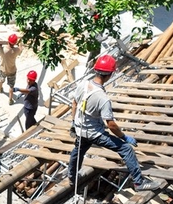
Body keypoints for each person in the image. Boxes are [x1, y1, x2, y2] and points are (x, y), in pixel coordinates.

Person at [68, 54, 162, 191]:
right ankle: (139, 182)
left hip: (80, 129)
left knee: (78, 151)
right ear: (110, 75)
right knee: (126, 149)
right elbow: (110, 124)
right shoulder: (103, 98)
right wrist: (123, 137)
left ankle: (72, 178)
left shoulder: (83, 85)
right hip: (94, 133)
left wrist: (73, 123)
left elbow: (75, 102)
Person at [0, 33, 20, 103]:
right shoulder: (16, 50)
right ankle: (10, 100)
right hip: (12, 71)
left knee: (1, 79)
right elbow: (20, 49)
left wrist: (0, 45)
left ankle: (0, 88)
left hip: (3, 69)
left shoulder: (3, 49)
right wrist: (20, 43)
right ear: (15, 43)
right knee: (11, 86)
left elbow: (0, 51)